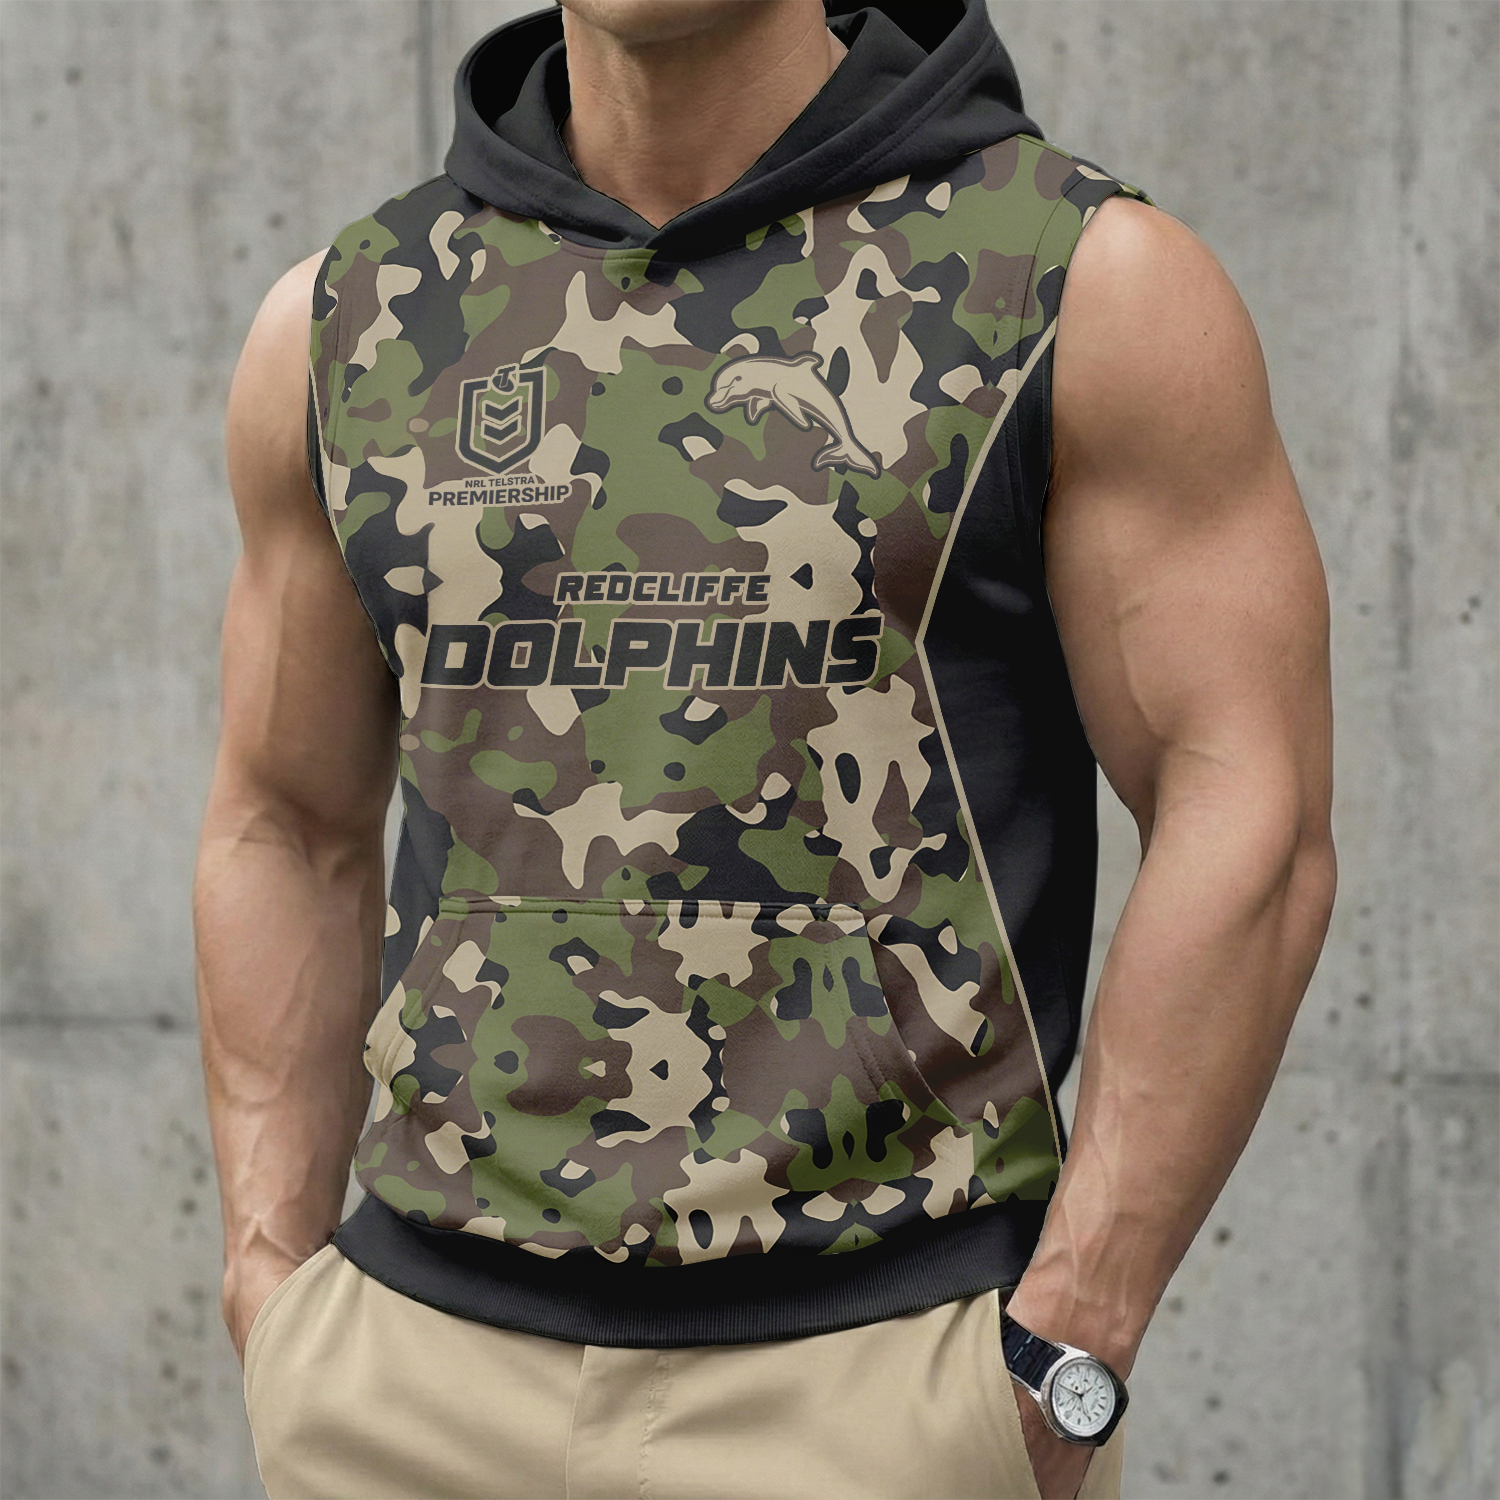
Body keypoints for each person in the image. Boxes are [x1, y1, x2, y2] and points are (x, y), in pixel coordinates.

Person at [193, 2, 1335, 1497]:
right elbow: (285, 819)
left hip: (879, 1387)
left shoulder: (1072, 281)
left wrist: (1073, 1334)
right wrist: (269, 1280)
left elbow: (1248, 808)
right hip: (409, 1387)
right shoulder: (356, 315)